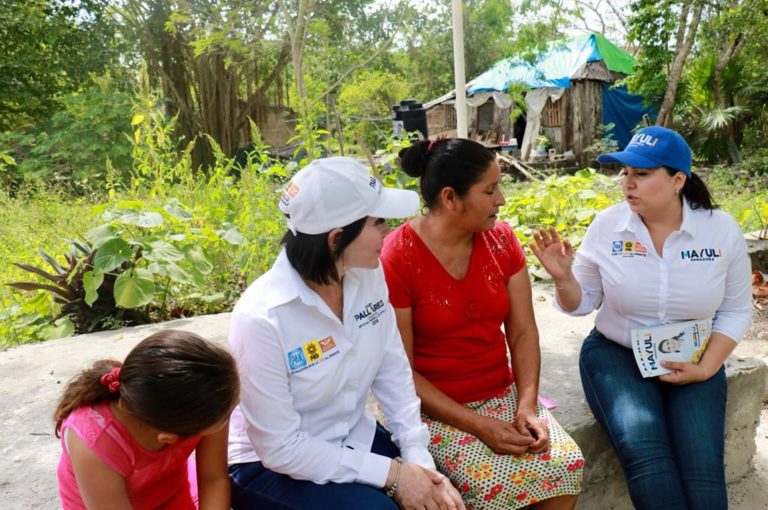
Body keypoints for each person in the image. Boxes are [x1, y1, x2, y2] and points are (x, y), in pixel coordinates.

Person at [530, 126, 753, 510]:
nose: (628, 184)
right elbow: (580, 304)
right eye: (625, 173)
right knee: (647, 454)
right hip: (616, 355)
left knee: (703, 469)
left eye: (642, 174)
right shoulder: (607, 226)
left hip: (695, 356)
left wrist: (705, 368)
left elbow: (735, 309)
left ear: (677, 180)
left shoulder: (720, 231)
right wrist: (564, 278)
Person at [227, 156, 464, 510]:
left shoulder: (366, 275)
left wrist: (416, 456)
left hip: (351, 436)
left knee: (441, 495)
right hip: (269, 465)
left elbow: (392, 368)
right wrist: (394, 475)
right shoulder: (262, 318)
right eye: (378, 222)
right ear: (337, 238)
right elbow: (281, 449)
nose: (389, 231)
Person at [380, 138, 583, 510]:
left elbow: (522, 332)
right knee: (493, 482)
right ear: (450, 198)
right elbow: (401, 372)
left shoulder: (501, 240)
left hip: (502, 395)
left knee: (565, 462)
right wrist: (479, 426)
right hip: (434, 409)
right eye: (490, 190)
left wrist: (526, 407)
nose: (502, 199)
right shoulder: (398, 256)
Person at [54, 330, 240, 510]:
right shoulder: (95, 444)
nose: (233, 412)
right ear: (169, 437)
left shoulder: (210, 399)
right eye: (229, 413)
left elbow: (213, 479)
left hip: (174, 495)